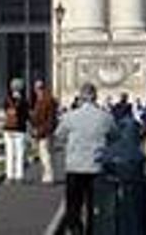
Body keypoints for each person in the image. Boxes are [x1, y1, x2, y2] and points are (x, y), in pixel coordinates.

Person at [55, 83, 115, 235]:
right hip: (96, 166)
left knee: (73, 204)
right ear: (95, 97)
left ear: (81, 97)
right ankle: (92, 231)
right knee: (94, 205)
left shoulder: (69, 117)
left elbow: (59, 135)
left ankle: (75, 230)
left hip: (75, 166)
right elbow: (115, 135)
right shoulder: (105, 117)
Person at [30, 79, 57, 184]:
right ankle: (47, 174)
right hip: (44, 130)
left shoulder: (46, 100)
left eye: (37, 88)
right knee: (46, 153)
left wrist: (40, 131)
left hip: (45, 131)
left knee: (45, 154)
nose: (36, 90)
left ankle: (49, 175)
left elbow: (50, 119)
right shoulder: (41, 99)